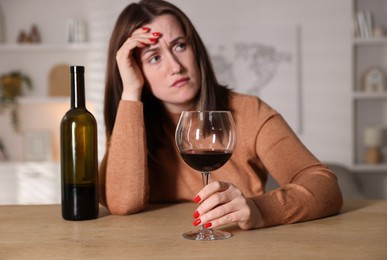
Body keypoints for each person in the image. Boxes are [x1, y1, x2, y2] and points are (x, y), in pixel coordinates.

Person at [99, 0, 343, 230]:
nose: (175, 66)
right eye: (154, 57)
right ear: (134, 69)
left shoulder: (249, 112)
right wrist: (131, 90)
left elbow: (326, 187)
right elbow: (122, 204)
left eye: (180, 46)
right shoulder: (131, 125)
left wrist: (259, 210)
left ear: (196, 49)